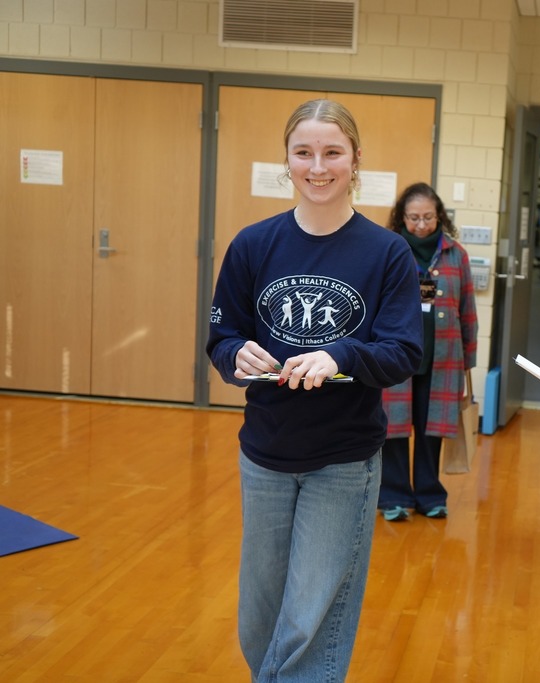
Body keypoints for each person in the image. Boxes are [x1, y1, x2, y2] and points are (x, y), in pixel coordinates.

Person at [206, 98, 423, 682]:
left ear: (355, 161)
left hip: (343, 461)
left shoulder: (387, 253)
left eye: (333, 152)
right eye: (304, 153)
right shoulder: (253, 245)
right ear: (287, 161)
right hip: (265, 454)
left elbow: (403, 352)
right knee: (260, 617)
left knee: (311, 618)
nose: (318, 166)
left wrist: (340, 354)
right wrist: (235, 354)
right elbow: (222, 336)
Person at [379, 183, 478, 521]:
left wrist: (469, 364)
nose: (421, 225)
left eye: (428, 218)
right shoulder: (388, 250)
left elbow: (468, 310)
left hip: (443, 357)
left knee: (431, 427)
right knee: (393, 428)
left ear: (440, 217)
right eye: (413, 218)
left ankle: (429, 494)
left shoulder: (455, 253)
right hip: (394, 356)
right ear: (401, 218)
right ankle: (392, 496)